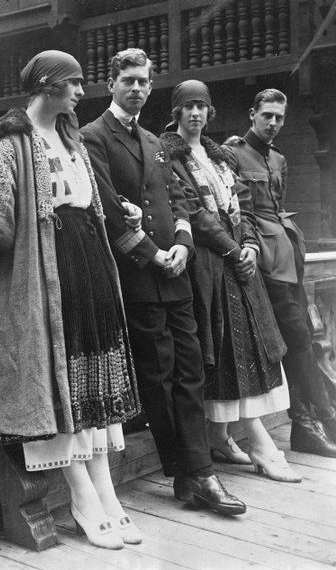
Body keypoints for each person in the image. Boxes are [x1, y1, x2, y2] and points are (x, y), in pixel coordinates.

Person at [0, 50, 144, 550]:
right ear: (48, 84)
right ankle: (81, 496)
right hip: (46, 272)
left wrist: (123, 216)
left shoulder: (71, 138)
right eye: (73, 84)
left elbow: (90, 201)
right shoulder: (9, 145)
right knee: (62, 383)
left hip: (89, 265)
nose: (79, 93)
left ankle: (107, 493)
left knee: (93, 381)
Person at [81, 48, 246, 516]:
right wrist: (154, 255)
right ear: (111, 83)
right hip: (138, 277)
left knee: (191, 371)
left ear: (152, 87)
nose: (136, 88)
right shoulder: (95, 138)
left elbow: (177, 199)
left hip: (176, 275)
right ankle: (193, 473)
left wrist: (182, 244)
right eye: (128, 80)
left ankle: (195, 474)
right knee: (159, 373)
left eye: (144, 82)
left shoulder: (156, 142)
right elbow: (109, 212)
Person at [161, 79, 300, 482]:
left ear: (210, 113)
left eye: (201, 107)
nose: (195, 114)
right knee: (222, 346)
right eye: (187, 107)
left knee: (249, 346)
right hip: (208, 262)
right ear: (177, 113)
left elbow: (245, 206)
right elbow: (194, 213)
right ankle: (259, 442)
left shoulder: (223, 156)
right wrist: (233, 250)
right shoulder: (171, 156)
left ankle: (220, 437)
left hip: (240, 261)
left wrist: (252, 247)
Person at [223, 88, 336, 457]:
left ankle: (308, 422)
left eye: (279, 118)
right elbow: (241, 212)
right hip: (260, 260)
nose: (273, 123)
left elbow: (277, 207)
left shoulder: (279, 159)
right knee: (297, 339)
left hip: (287, 257)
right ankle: (318, 418)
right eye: (266, 115)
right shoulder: (233, 153)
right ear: (251, 113)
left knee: (302, 336)